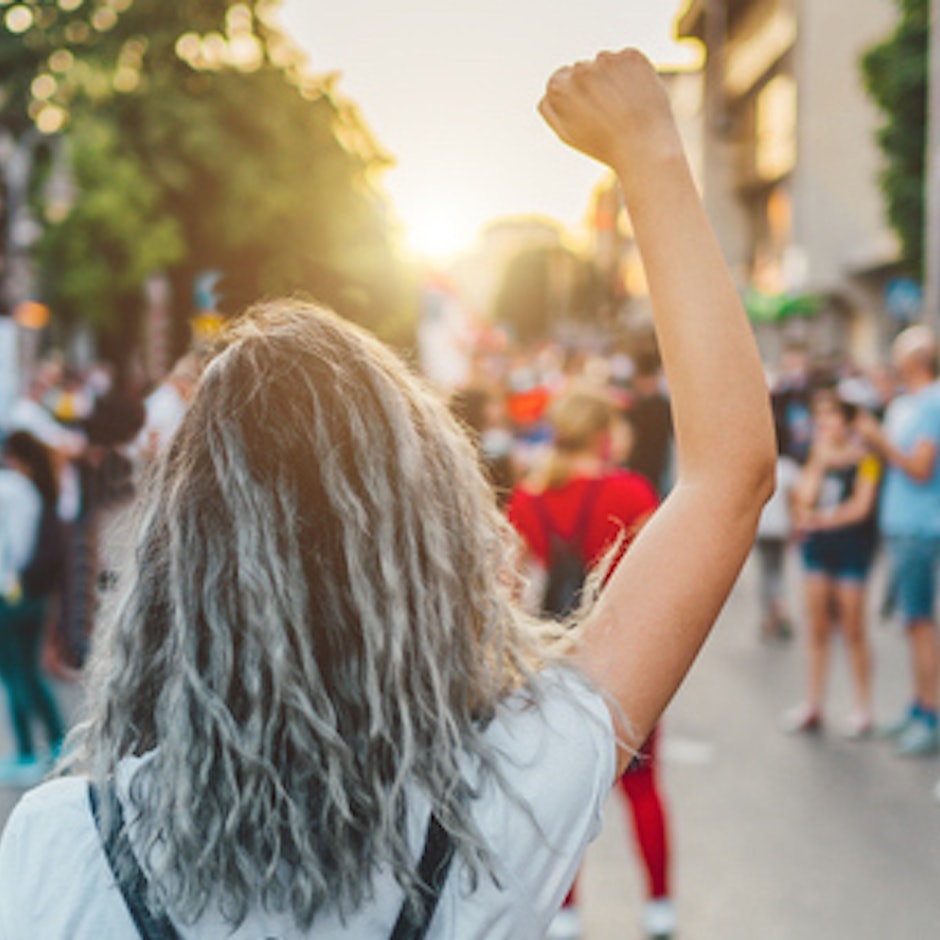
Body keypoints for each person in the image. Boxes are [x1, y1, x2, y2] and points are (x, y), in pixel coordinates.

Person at [0, 49, 775, 937]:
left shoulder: (63, 842)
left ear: (178, 559)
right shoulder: (508, 792)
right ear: (427, 540)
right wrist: (649, 151)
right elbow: (728, 476)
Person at [506, 385, 674, 940]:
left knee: (560, 793)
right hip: (629, 660)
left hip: (554, 665)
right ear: (604, 435)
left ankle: (568, 909)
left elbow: (511, 595)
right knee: (643, 786)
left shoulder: (527, 501)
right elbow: (661, 585)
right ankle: (658, 904)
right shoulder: (631, 491)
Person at [856, 325, 940, 756]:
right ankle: (919, 705)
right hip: (902, 527)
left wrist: (879, 441)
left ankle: (931, 714)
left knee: (920, 622)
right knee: (912, 622)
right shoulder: (908, 403)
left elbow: (920, 468)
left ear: (917, 359)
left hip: (919, 528)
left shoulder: (931, 405)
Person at [783, 387, 881, 738]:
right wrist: (820, 463)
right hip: (819, 549)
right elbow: (804, 497)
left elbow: (862, 506)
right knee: (818, 626)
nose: (824, 424)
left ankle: (863, 706)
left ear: (848, 420)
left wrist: (822, 519)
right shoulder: (818, 454)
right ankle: (813, 703)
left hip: (853, 547)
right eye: (820, 418)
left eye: (831, 417)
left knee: (854, 628)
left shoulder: (867, 458)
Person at [0, 431, 67, 786]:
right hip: (32, 592)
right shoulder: (36, 489)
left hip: (8, 594)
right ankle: (57, 742)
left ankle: (27, 751)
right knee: (29, 672)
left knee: (14, 675)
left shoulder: (8, 488)